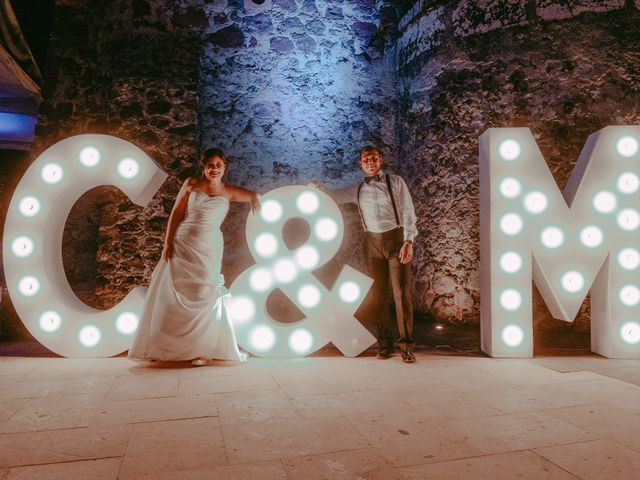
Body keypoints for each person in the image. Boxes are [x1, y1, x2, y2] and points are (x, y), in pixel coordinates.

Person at [128, 148, 260, 366]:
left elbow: (255, 196)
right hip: (183, 242)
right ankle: (164, 348)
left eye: (218, 165)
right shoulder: (191, 184)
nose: (214, 169)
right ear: (204, 167)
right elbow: (176, 213)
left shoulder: (229, 191)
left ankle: (202, 350)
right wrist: (167, 242)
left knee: (203, 293)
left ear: (224, 167)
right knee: (174, 294)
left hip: (209, 247)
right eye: (210, 165)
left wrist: (256, 197)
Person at [321, 146, 418, 363]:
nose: (370, 162)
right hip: (372, 242)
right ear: (360, 164)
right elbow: (333, 195)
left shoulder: (396, 182)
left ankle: (406, 346)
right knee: (378, 295)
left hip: (396, 239)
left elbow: (408, 212)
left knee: (401, 293)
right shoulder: (356, 189)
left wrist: (408, 241)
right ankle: (385, 344)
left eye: (374, 158)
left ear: (381, 160)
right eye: (366, 159)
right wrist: (318, 188)